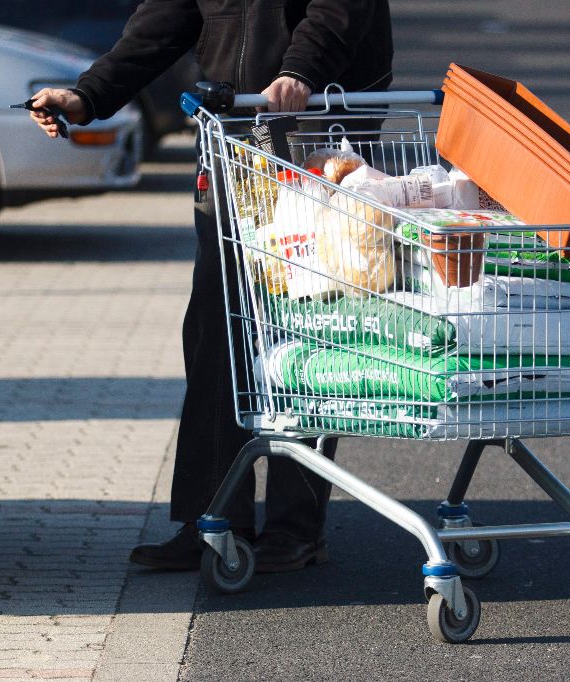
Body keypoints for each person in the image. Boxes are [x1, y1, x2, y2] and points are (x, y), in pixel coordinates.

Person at [28, 0, 393, 573]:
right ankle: (212, 521)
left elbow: (340, 9)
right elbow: (161, 23)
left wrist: (299, 73)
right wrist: (87, 96)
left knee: (308, 325)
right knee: (215, 331)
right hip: (235, 136)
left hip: (320, 126)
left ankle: (296, 527)